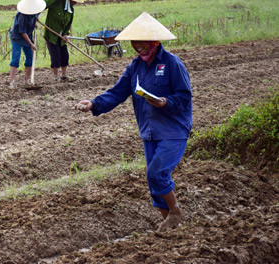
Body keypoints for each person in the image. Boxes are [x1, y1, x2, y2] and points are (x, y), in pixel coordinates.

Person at [73, 12, 192, 232]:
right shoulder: (135, 67)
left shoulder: (172, 64)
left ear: (152, 41)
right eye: (134, 44)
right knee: (154, 182)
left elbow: (185, 97)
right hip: (149, 130)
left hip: (173, 130)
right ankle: (171, 226)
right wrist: (93, 104)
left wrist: (166, 102)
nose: (137, 48)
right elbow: (117, 93)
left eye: (141, 43)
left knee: (156, 174)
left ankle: (175, 212)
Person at [42, 0, 84, 82]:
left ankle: (64, 75)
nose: (76, 3)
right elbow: (42, 5)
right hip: (51, 35)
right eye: (75, 0)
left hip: (61, 37)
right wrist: (35, 15)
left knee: (65, 55)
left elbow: (68, 24)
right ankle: (55, 77)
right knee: (55, 56)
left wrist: (65, 34)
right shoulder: (56, 2)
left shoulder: (71, 10)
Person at [9, 0, 46, 89]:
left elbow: (35, 18)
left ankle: (27, 81)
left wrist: (35, 23)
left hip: (28, 35)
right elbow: (22, 32)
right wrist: (31, 44)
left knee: (30, 57)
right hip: (17, 37)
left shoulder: (36, 12)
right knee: (15, 59)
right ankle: (12, 83)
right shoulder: (22, 16)